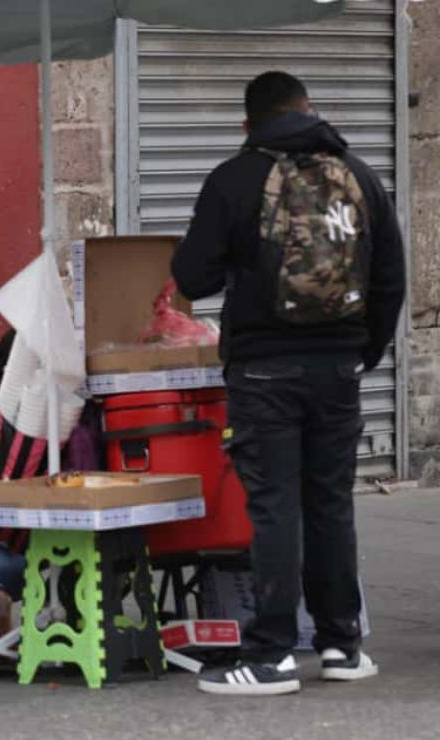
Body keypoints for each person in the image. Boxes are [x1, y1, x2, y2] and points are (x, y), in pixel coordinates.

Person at [173, 71, 405, 696]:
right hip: (339, 370)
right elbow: (391, 278)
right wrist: (362, 352)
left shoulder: (235, 177)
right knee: (330, 504)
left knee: (274, 508)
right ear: (309, 110)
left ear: (248, 124)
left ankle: (272, 655)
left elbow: (192, 276)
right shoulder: (358, 175)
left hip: (263, 370)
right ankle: (341, 645)